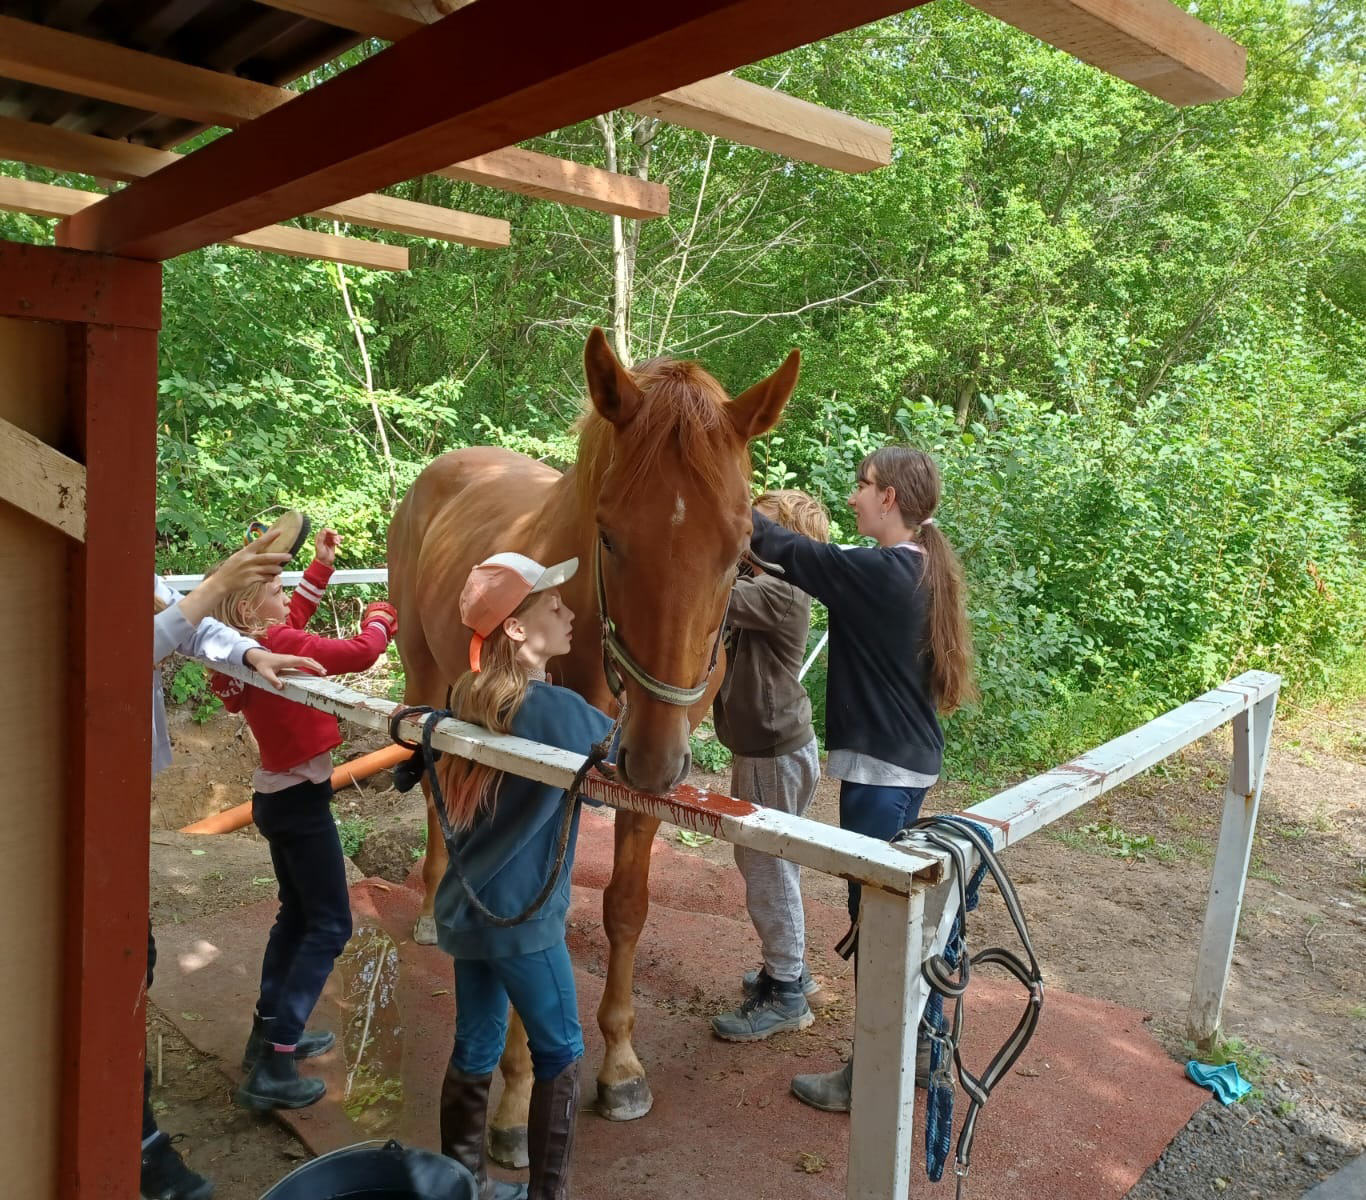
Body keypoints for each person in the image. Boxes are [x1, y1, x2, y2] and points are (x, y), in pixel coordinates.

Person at [746, 447, 976, 1113]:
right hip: (904, 762)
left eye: (863, 486)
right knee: (899, 917)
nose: (852, 498)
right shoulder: (916, 564)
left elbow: (795, 551)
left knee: (875, 920)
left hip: (881, 773)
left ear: (892, 499)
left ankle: (872, 1073)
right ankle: (924, 1054)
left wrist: (727, 502)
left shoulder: (881, 572)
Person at [145, 529, 322, 1200]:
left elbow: (185, 631)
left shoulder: (139, 572)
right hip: (83, 777)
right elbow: (139, 644)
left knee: (142, 954)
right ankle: (137, 1145)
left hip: (130, 776)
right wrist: (218, 586)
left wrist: (248, 650)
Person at [434, 552, 614, 1200]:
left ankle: (460, 1184)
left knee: (476, 1046)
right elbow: (638, 761)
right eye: (552, 606)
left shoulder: (466, 693)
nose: (569, 614)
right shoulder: (553, 710)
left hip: (467, 906)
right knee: (561, 1051)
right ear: (515, 629)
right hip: (524, 921)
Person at [208, 526, 399, 1112]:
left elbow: (288, 615)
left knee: (296, 916)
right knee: (329, 927)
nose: (286, 594)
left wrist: (319, 570)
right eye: (275, 588)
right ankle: (276, 1063)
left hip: (278, 800)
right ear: (249, 610)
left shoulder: (242, 650)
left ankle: (268, 1037)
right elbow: (363, 653)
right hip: (300, 804)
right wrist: (382, 615)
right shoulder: (282, 642)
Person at [709, 489, 830, 1042]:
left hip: (774, 751)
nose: (747, 534)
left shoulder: (781, 589)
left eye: (761, 528)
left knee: (765, 866)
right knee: (770, 862)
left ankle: (785, 991)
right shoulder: (769, 584)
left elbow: (710, 593)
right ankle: (790, 971)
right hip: (769, 748)